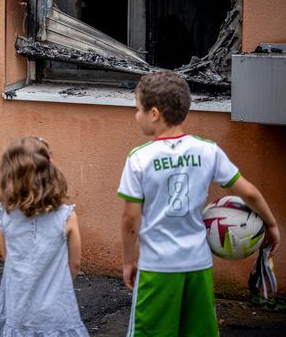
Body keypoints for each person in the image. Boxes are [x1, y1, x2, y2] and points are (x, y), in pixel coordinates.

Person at [118, 71, 281, 336]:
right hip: (198, 265)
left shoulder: (139, 158)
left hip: (158, 267)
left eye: (138, 109)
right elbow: (249, 193)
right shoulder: (207, 150)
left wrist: (127, 261)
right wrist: (271, 225)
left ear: (155, 114)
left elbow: (129, 220)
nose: (136, 115)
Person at [0, 136, 88, 336]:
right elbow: (75, 263)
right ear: (51, 174)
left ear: (10, 177)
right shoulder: (67, 216)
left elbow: (7, 256)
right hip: (57, 313)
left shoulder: (6, 214)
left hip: (17, 310)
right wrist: (58, 283)